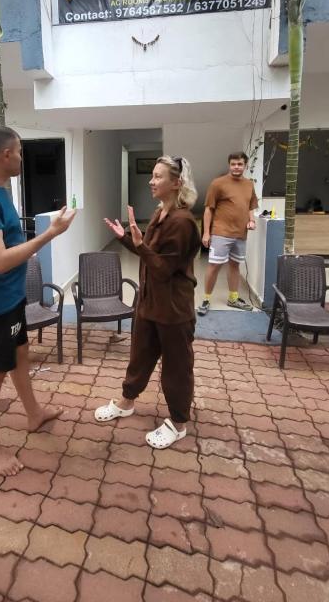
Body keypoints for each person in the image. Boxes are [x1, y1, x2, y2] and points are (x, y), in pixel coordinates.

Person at [0, 125, 76, 476]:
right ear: (6, 154)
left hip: (9, 293)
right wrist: (50, 234)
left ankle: (34, 414)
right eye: (20, 152)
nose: (22, 158)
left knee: (20, 351)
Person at [95, 155, 200, 449]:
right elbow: (149, 253)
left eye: (158, 177)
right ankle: (126, 402)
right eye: (152, 175)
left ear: (176, 183)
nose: (151, 181)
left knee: (176, 367)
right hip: (150, 301)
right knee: (140, 355)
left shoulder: (182, 222)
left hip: (173, 307)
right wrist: (127, 238)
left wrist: (140, 245)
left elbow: (164, 268)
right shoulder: (160, 212)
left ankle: (178, 423)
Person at [197, 151, 258, 315]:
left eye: (239, 164)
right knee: (214, 265)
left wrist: (251, 220)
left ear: (245, 165)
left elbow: (250, 206)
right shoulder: (218, 183)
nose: (236, 167)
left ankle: (233, 298)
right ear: (229, 165)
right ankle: (206, 299)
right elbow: (208, 209)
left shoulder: (249, 184)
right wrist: (206, 233)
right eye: (233, 164)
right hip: (220, 233)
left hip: (240, 234)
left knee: (234, 265)